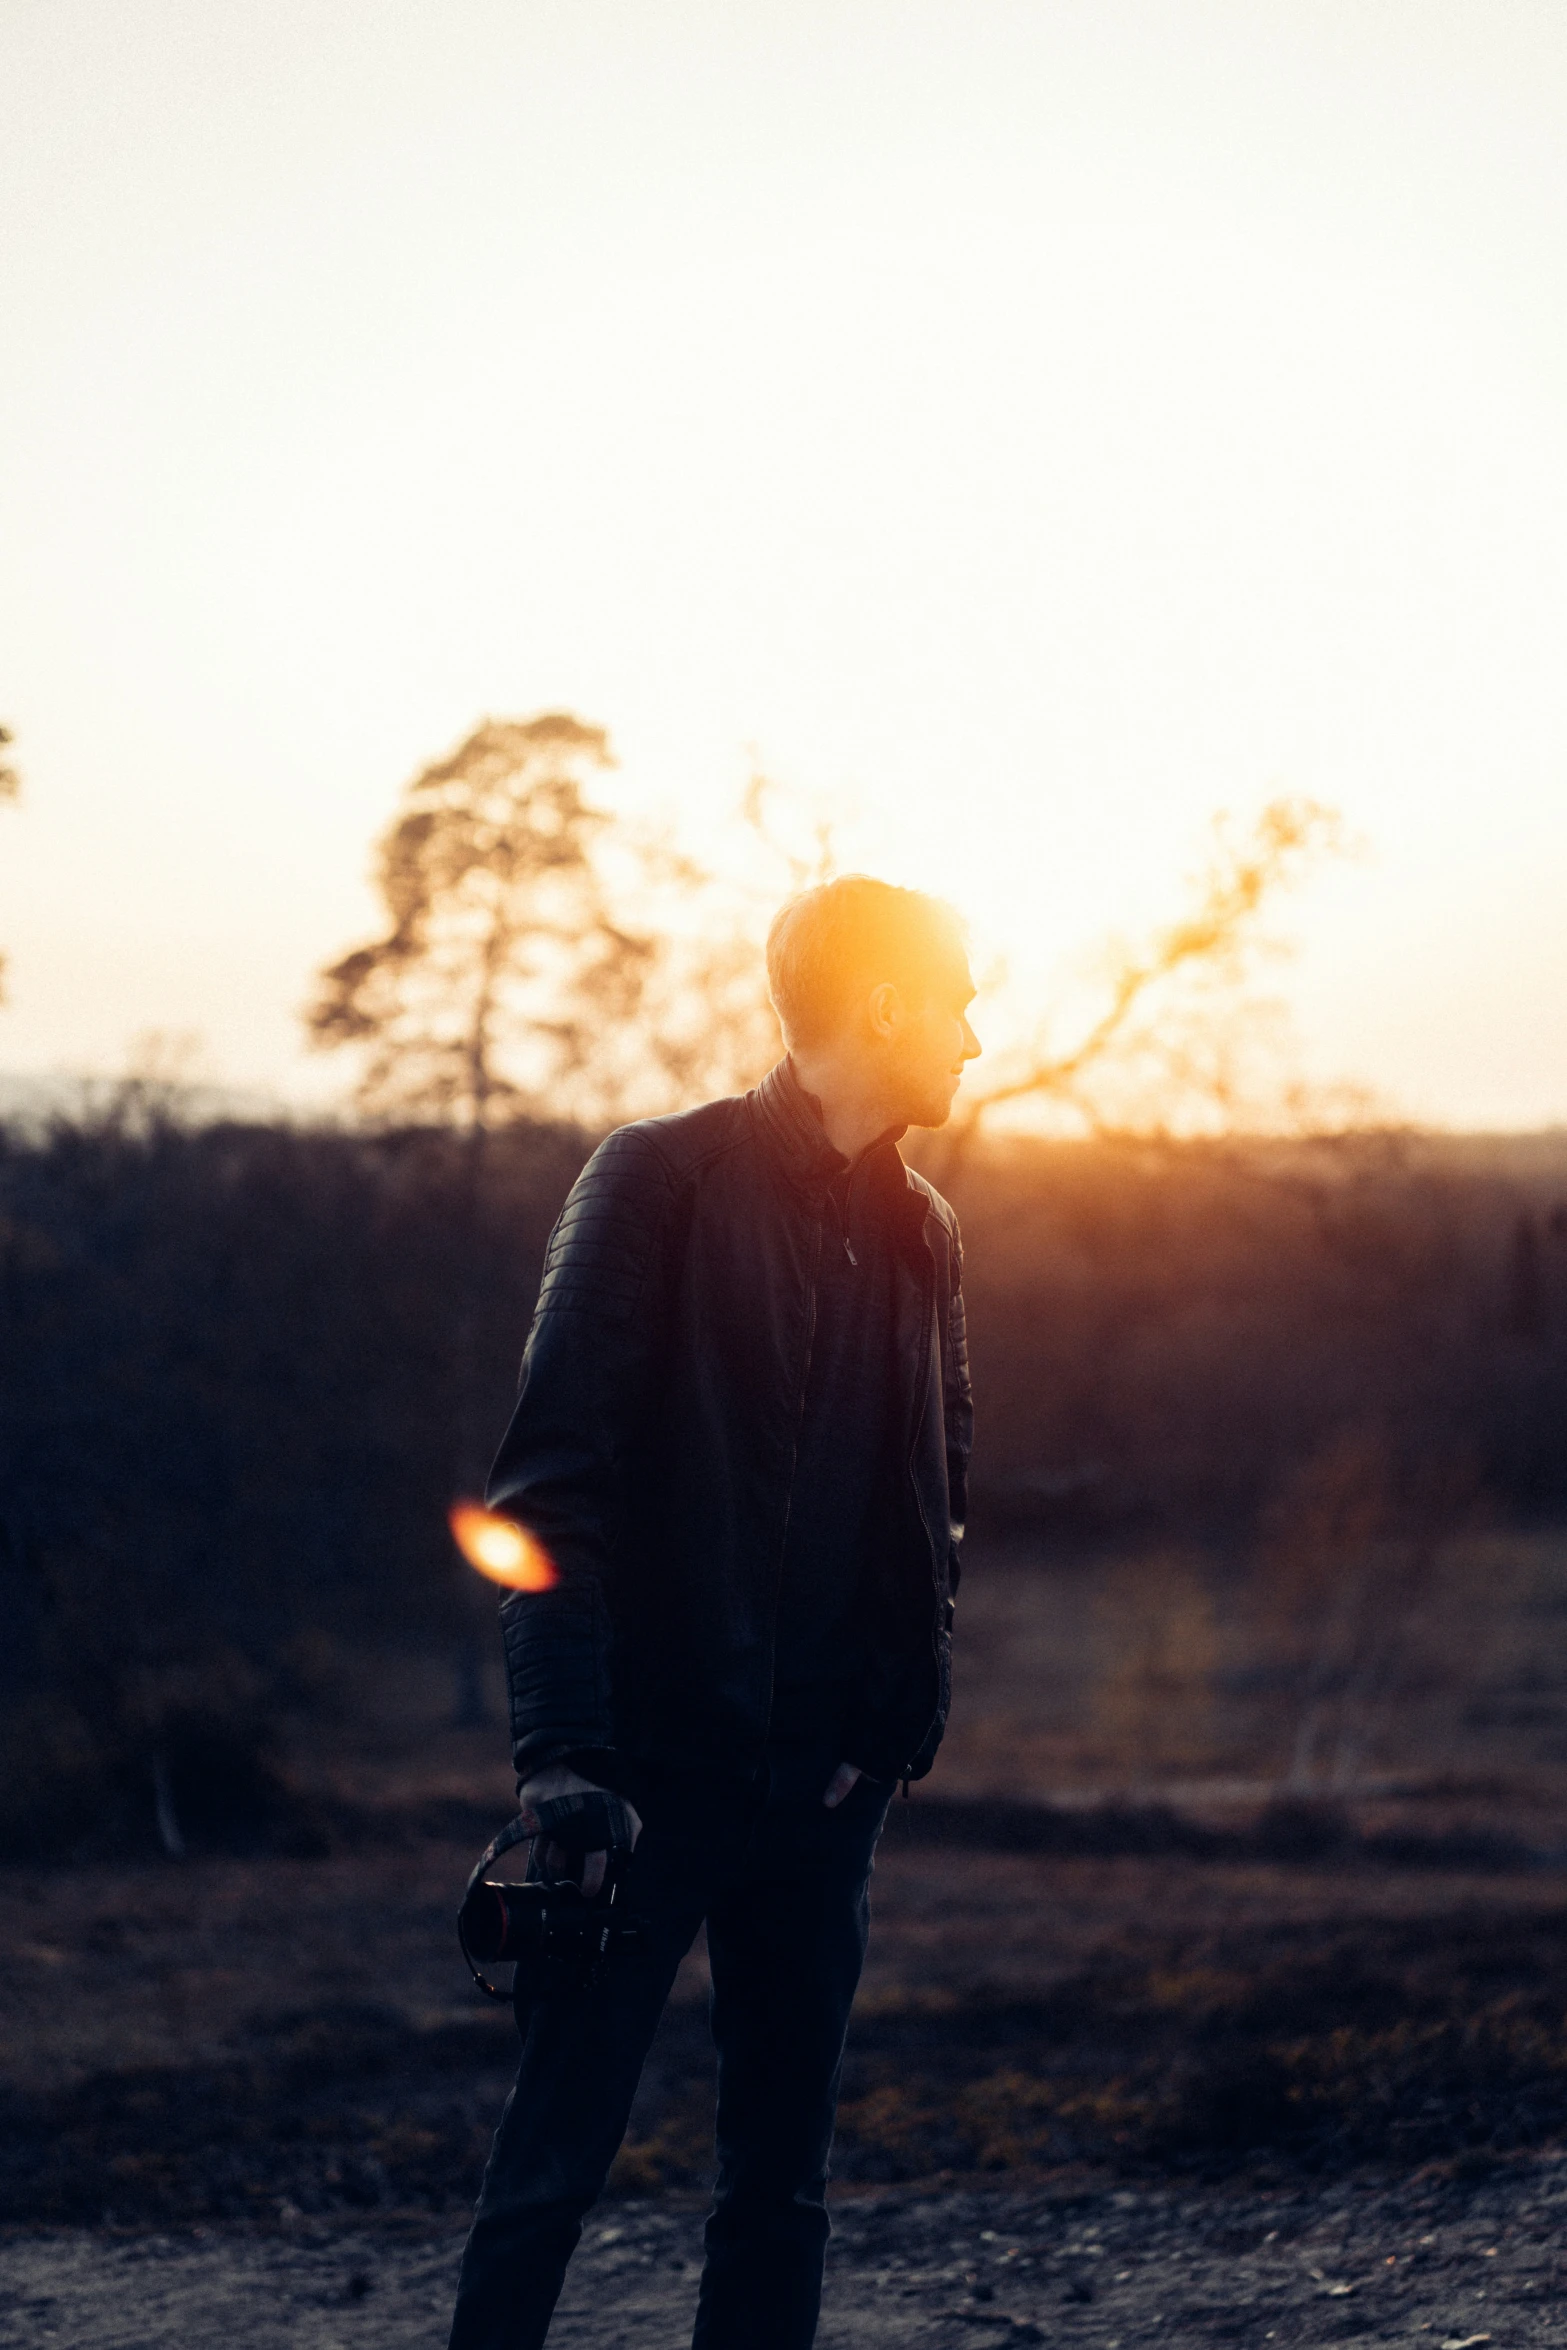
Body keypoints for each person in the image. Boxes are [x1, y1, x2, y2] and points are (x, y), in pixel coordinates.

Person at [448, 874, 980, 2350]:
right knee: (547, 2173)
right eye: (957, 1000)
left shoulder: (928, 1230)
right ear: (878, 1005)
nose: (975, 1038)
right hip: (636, 1790)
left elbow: (933, 1511)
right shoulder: (655, 1177)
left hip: (821, 1800)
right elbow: (546, 1490)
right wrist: (562, 1759)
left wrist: (886, 1743)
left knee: (779, 2191)